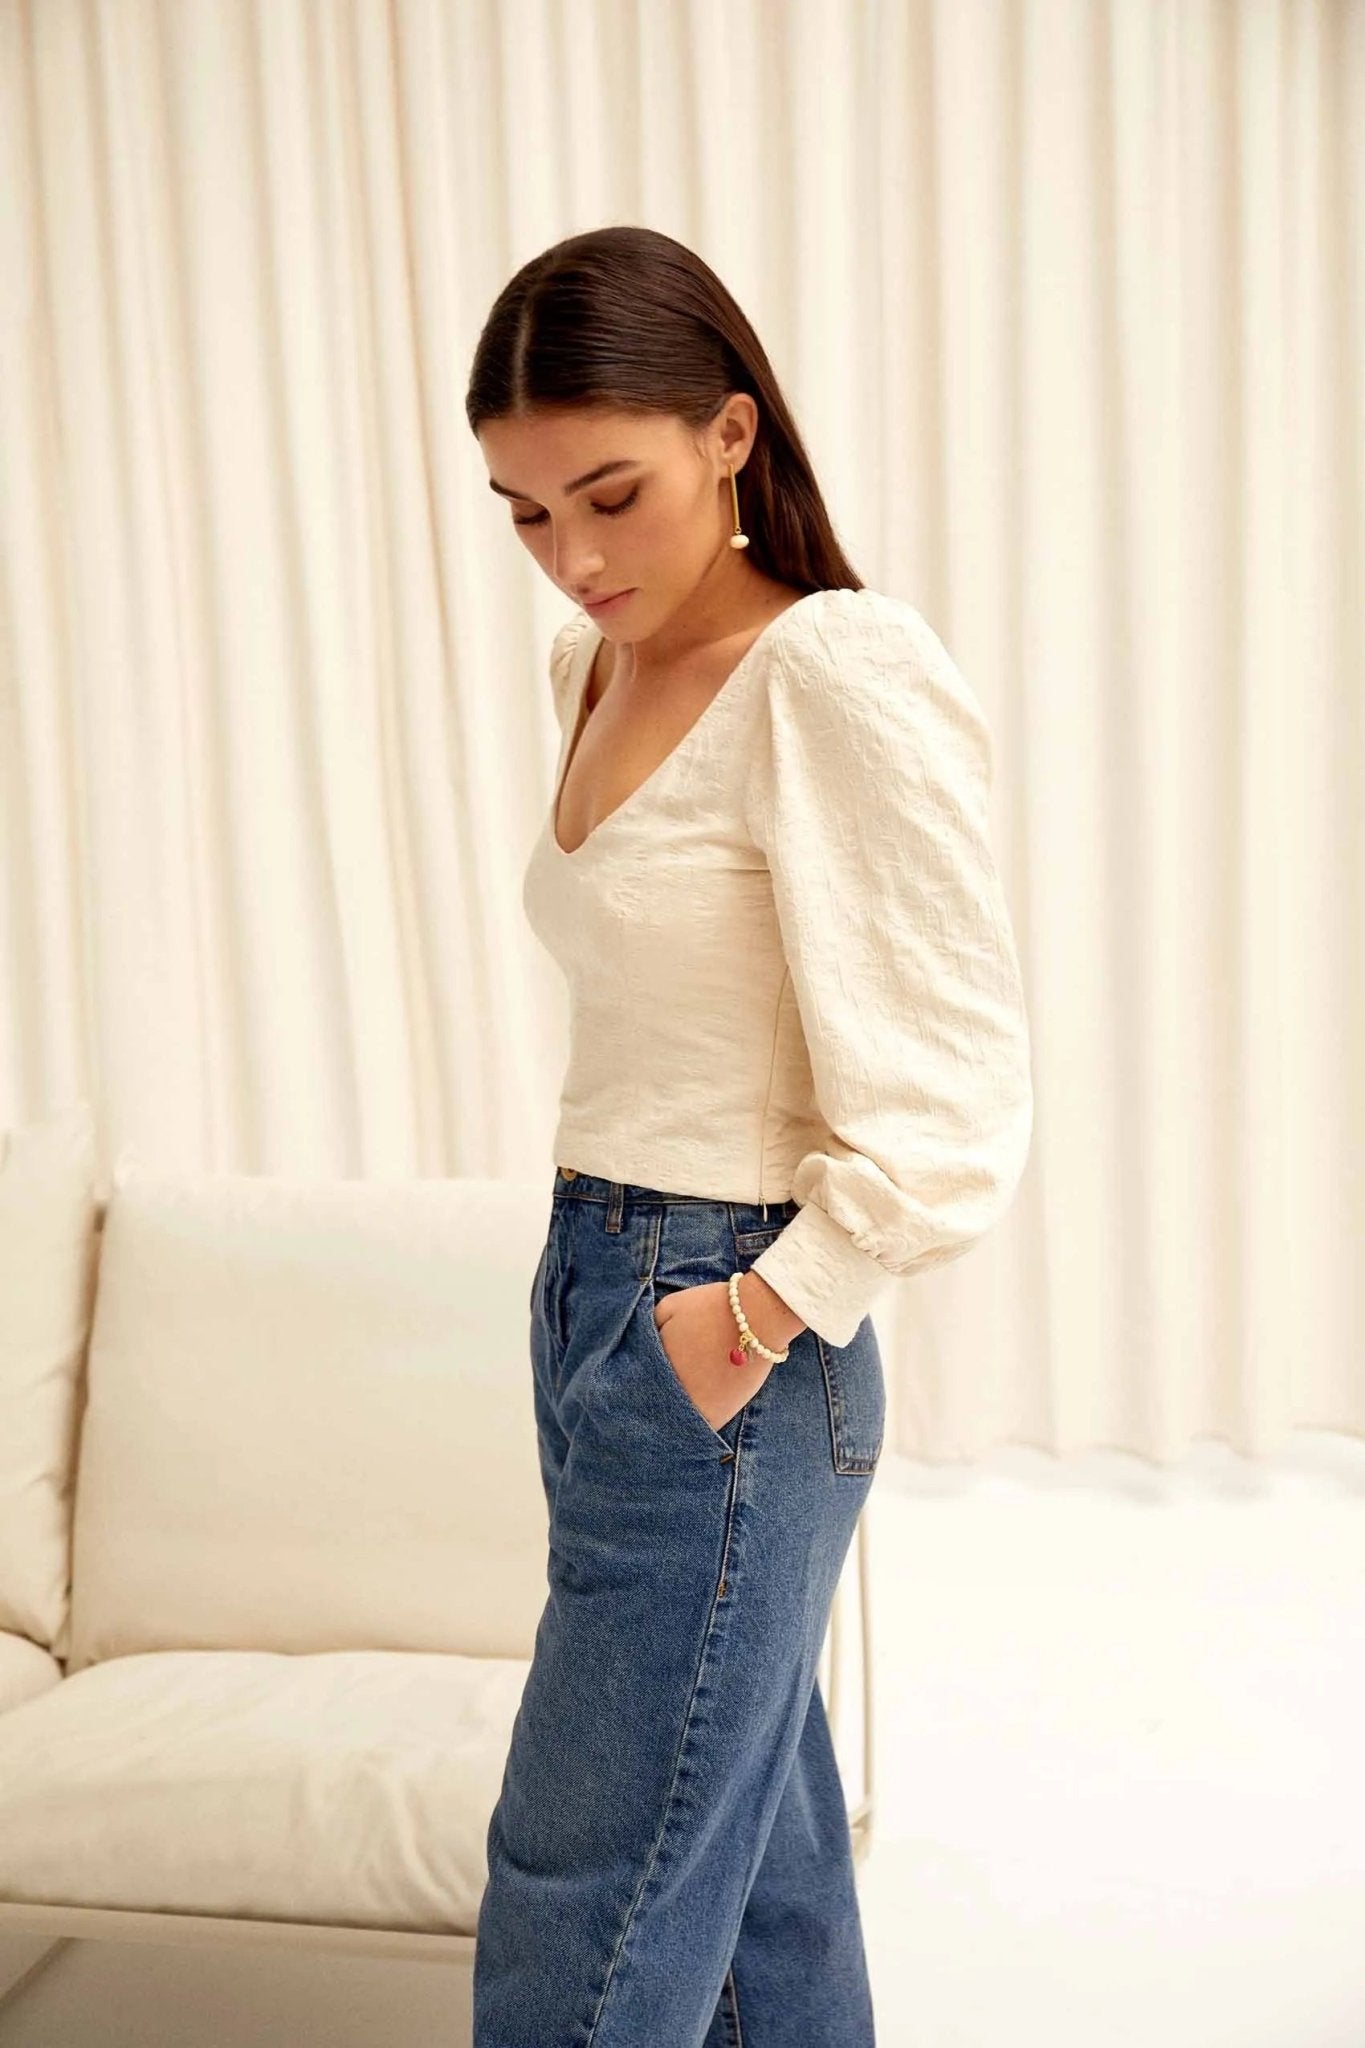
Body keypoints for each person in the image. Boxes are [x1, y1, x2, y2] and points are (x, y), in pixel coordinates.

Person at [465, 224, 1033, 2047]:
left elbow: (955, 1083)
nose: (572, 558)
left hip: (724, 1311)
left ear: (729, 434)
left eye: (608, 496)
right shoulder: (590, 669)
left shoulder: (830, 670)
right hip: (596, 1288)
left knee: (580, 1898)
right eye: (524, 512)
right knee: (748, 1888)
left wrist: (758, 1314)